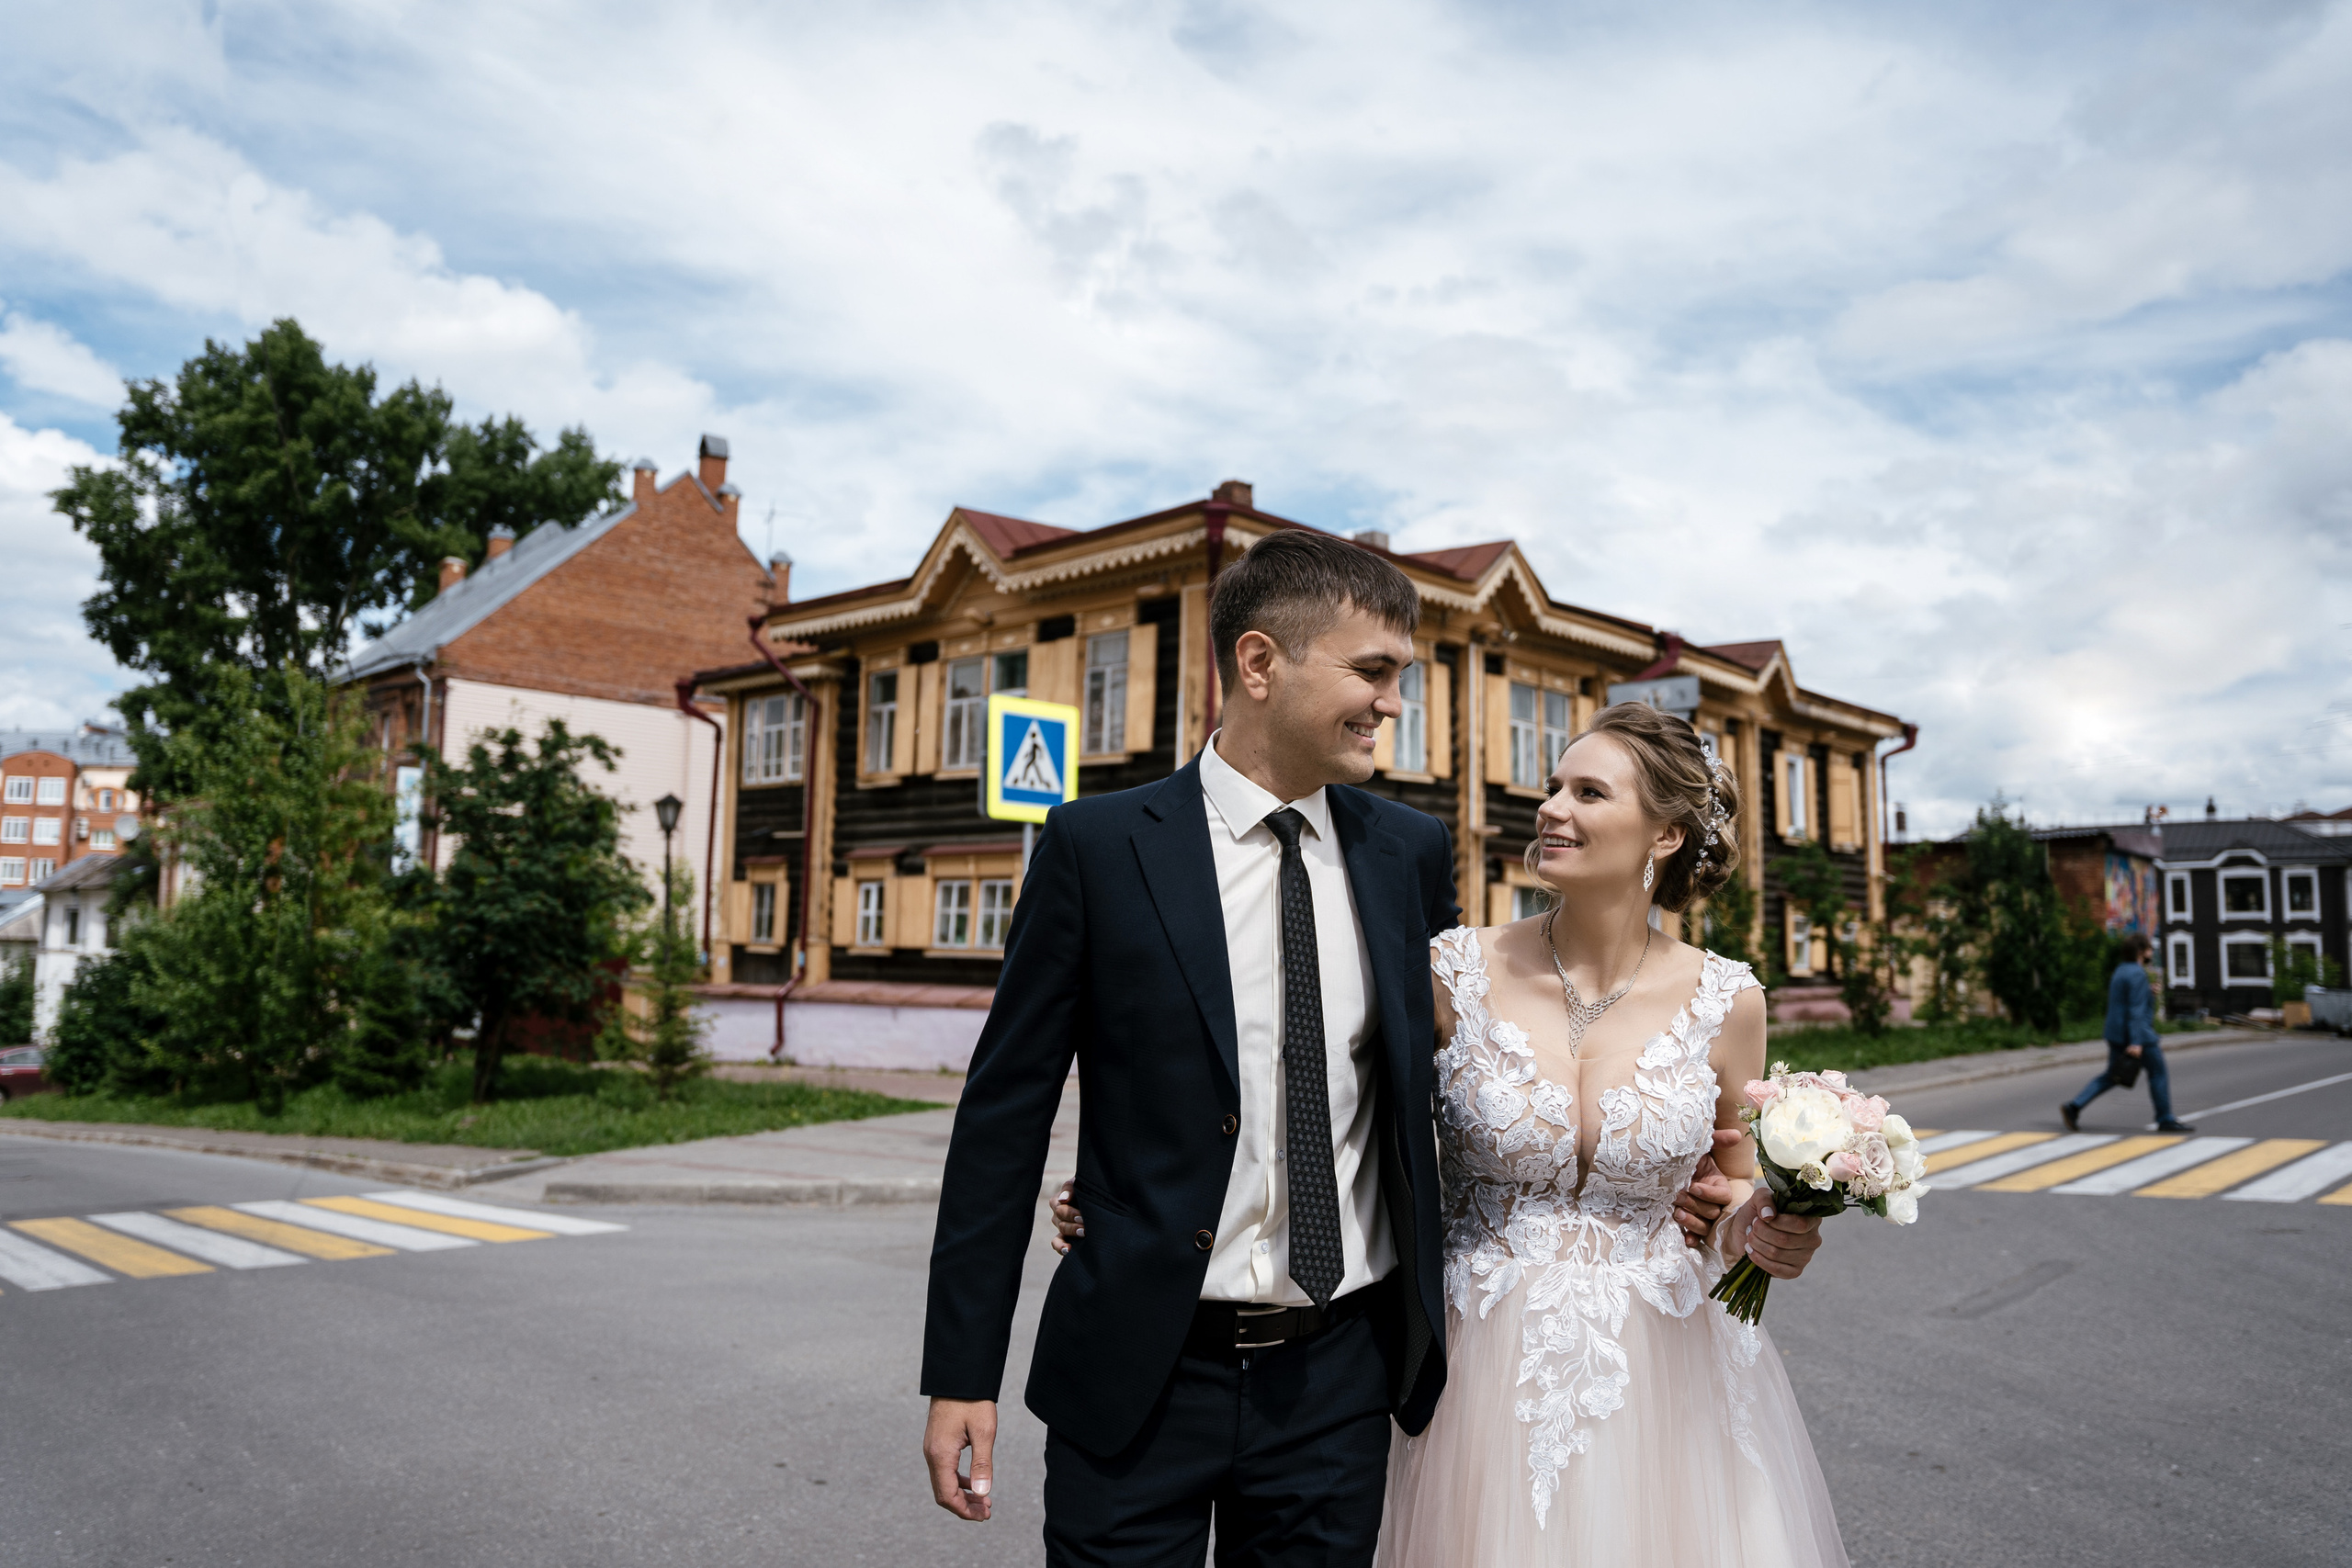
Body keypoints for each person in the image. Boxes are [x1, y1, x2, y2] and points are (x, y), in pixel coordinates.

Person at [923, 527, 1826, 1566]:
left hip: (1339, 1385)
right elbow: (1001, 1120)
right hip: (1140, 1366)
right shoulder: (1096, 848)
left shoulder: (1405, 855)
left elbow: (1454, 1080)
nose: (1395, 702)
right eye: (1373, 671)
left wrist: (1644, 1181)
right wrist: (964, 1372)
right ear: (1259, 664)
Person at [2062, 931, 2191, 1134]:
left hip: (2115, 1034)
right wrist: (2137, 1042)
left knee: (2112, 1076)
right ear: (2141, 952)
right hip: (2137, 1036)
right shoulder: (2138, 974)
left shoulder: (2121, 970)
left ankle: (2074, 1106)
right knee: (2158, 1073)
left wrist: (2148, 993)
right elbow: (2135, 1011)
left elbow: (2126, 1001)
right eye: (2149, 950)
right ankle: (2165, 1118)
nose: (2151, 953)